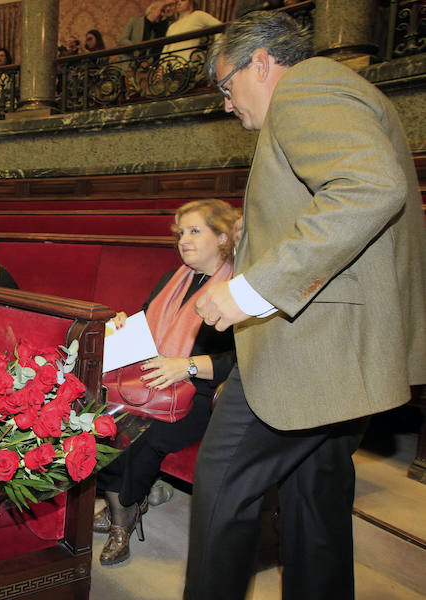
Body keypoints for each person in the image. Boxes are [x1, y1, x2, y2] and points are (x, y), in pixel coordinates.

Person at [186, 12, 425, 599]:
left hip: (307, 348)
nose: (225, 104)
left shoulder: (307, 88)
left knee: (221, 487)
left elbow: (370, 188)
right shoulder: (344, 93)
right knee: (314, 501)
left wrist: (247, 289)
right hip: (345, 356)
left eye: (225, 85)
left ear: (261, 62)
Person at [94, 199, 238, 566]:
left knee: (144, 437)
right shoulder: (173, 280)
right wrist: (128, 323)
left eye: (195, 231)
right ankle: (120, 504)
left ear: (222, 237)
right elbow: (146, 326)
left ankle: (123, 519)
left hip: (205, 394)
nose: (183, 241)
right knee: (103, 422)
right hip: (155, 381)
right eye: (181, 233)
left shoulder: (237, 290)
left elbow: (241, 360)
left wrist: (187, 366)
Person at [161, 0, 221, 64]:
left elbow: (220, 27)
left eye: (182, 0)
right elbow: (166, 49)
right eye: (177, 1)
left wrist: (216, 49)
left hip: (186, 64)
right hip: (169, 67)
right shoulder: (172, 26)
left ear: (190, 2)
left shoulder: (197, 15)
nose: (179, 3)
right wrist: (161, 66)